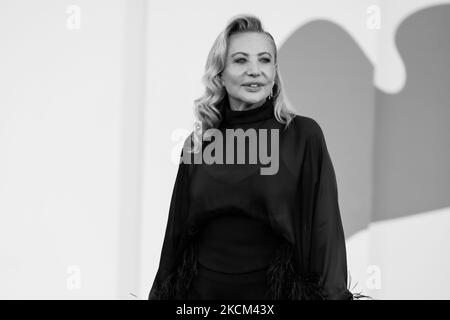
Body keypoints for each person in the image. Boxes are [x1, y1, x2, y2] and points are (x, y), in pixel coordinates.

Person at [148, 14, 364, 300]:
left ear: (275, 71)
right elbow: (175, 236)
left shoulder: (302, 135)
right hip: (203, 296)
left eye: (264, 60)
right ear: (219, 74)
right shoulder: (199, 144)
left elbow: (325, 229)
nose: (254, 70)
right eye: (240, 60)